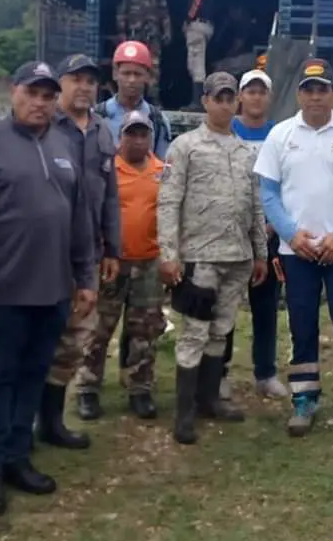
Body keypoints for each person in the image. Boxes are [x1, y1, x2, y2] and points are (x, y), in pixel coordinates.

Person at [0, 61, 97, 517]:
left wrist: (85, 276)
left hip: (53, 290)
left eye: (48, 95)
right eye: (32, 93)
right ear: (14, 93)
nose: (41, 102)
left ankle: (18, 458)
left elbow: (78, 217)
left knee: (33, 376)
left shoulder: (62, 144)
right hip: (3, 290)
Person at [253, 59, 333, 438]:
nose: (315, 96)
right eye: (308, 89)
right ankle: (304, 400)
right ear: (299, 94)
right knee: (301, 323)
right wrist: (291, 235)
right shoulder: (280, 135)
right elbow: (269, 193)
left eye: (322, 89)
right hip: (297, 251)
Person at [157, 72, 269, 444]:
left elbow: (255, 207)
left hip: (237, 257)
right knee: (194, 332)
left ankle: (209, 400)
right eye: (217, 97)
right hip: (199, 258)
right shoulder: (184, 147)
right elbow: (169, 201)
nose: (225, 104)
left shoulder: (245, 151)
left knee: (221, 331)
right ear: (205, 101)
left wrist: (260, 254)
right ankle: (184, 412)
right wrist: (169, 254)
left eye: (229, 97)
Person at [38, 53, 120, 440]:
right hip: (45, 250)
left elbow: (110, 197)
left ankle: (52, 421)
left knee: (74, 338)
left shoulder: (103, 131)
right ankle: (24, 421)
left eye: (91, 81)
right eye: (76, 79)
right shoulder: (45, 128)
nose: (85, 87)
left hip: (87, 251)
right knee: (39, 336)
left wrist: (112, 249)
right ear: (61, 85)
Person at [79, 111, 168, 419]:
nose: (138, 139)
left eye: (144, 134)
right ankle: (88, 388)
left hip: (150, 263)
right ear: (121, 137)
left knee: (145, 330)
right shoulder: (108, 170)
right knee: (99, 328)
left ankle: (140, 388)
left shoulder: (162, 171)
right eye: (132, 134)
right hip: (113, 262)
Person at [221, 69, 289, 400]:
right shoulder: (226, 131)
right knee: (225, 307)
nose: (256, 97)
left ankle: (265, 373)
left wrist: (271, 225)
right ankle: (219, 373)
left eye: (262, 92)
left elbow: (287, 184)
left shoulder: (279, 136)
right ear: (240, 97)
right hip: (229, 234)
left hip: (269, 234)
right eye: (250, 91)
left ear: (269, 97)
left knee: (265, 306)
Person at [102, 40, 172, 160]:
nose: (132, 80)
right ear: (115, 74)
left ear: (147, 76)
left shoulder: (157, 120)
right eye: (126, 73)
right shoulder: (98, 116)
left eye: (137, 74)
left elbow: (162, 167)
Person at [116, 0, 171, 97]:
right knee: (133, 64)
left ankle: (153, 96)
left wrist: (167, 30)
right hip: (135, 32)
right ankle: (133, 95)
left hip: (152, 32)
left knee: (154, 65)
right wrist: (121, 31)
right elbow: (122, 10)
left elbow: (163, 10)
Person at [182, 0, 216, 108]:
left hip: (198, 25)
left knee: (196, 63)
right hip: (203, 25)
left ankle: (197, 102)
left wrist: (189, 19)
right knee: (195, 62)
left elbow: (197, 0)